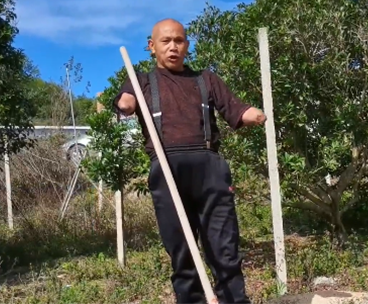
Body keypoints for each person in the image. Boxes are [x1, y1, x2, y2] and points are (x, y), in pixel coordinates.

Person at [113, 18, 266, 304]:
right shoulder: (141, 81)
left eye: (179, 41)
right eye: (165, 41)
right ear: (152, 46)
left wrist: (254, 114)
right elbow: (126, 103)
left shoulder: (206, 79)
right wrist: (125, 102)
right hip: (167, 168)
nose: (173, 47)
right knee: (181, 251)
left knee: (224, 246)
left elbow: (235, 109)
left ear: (187, 45)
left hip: (209, 168)